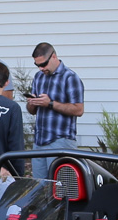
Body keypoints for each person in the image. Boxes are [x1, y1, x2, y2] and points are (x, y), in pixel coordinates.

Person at [27, 42, 85, 174]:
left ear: (53, 56)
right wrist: (32, 102)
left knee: (61, 183)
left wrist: (50, 103)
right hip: (39, 141)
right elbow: (32, 111)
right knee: (39, 184)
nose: (41, 68)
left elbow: (79, 109)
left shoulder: (70, 77)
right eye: (37, 65)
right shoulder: (38, 77)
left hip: (61, 140)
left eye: (43, 64)